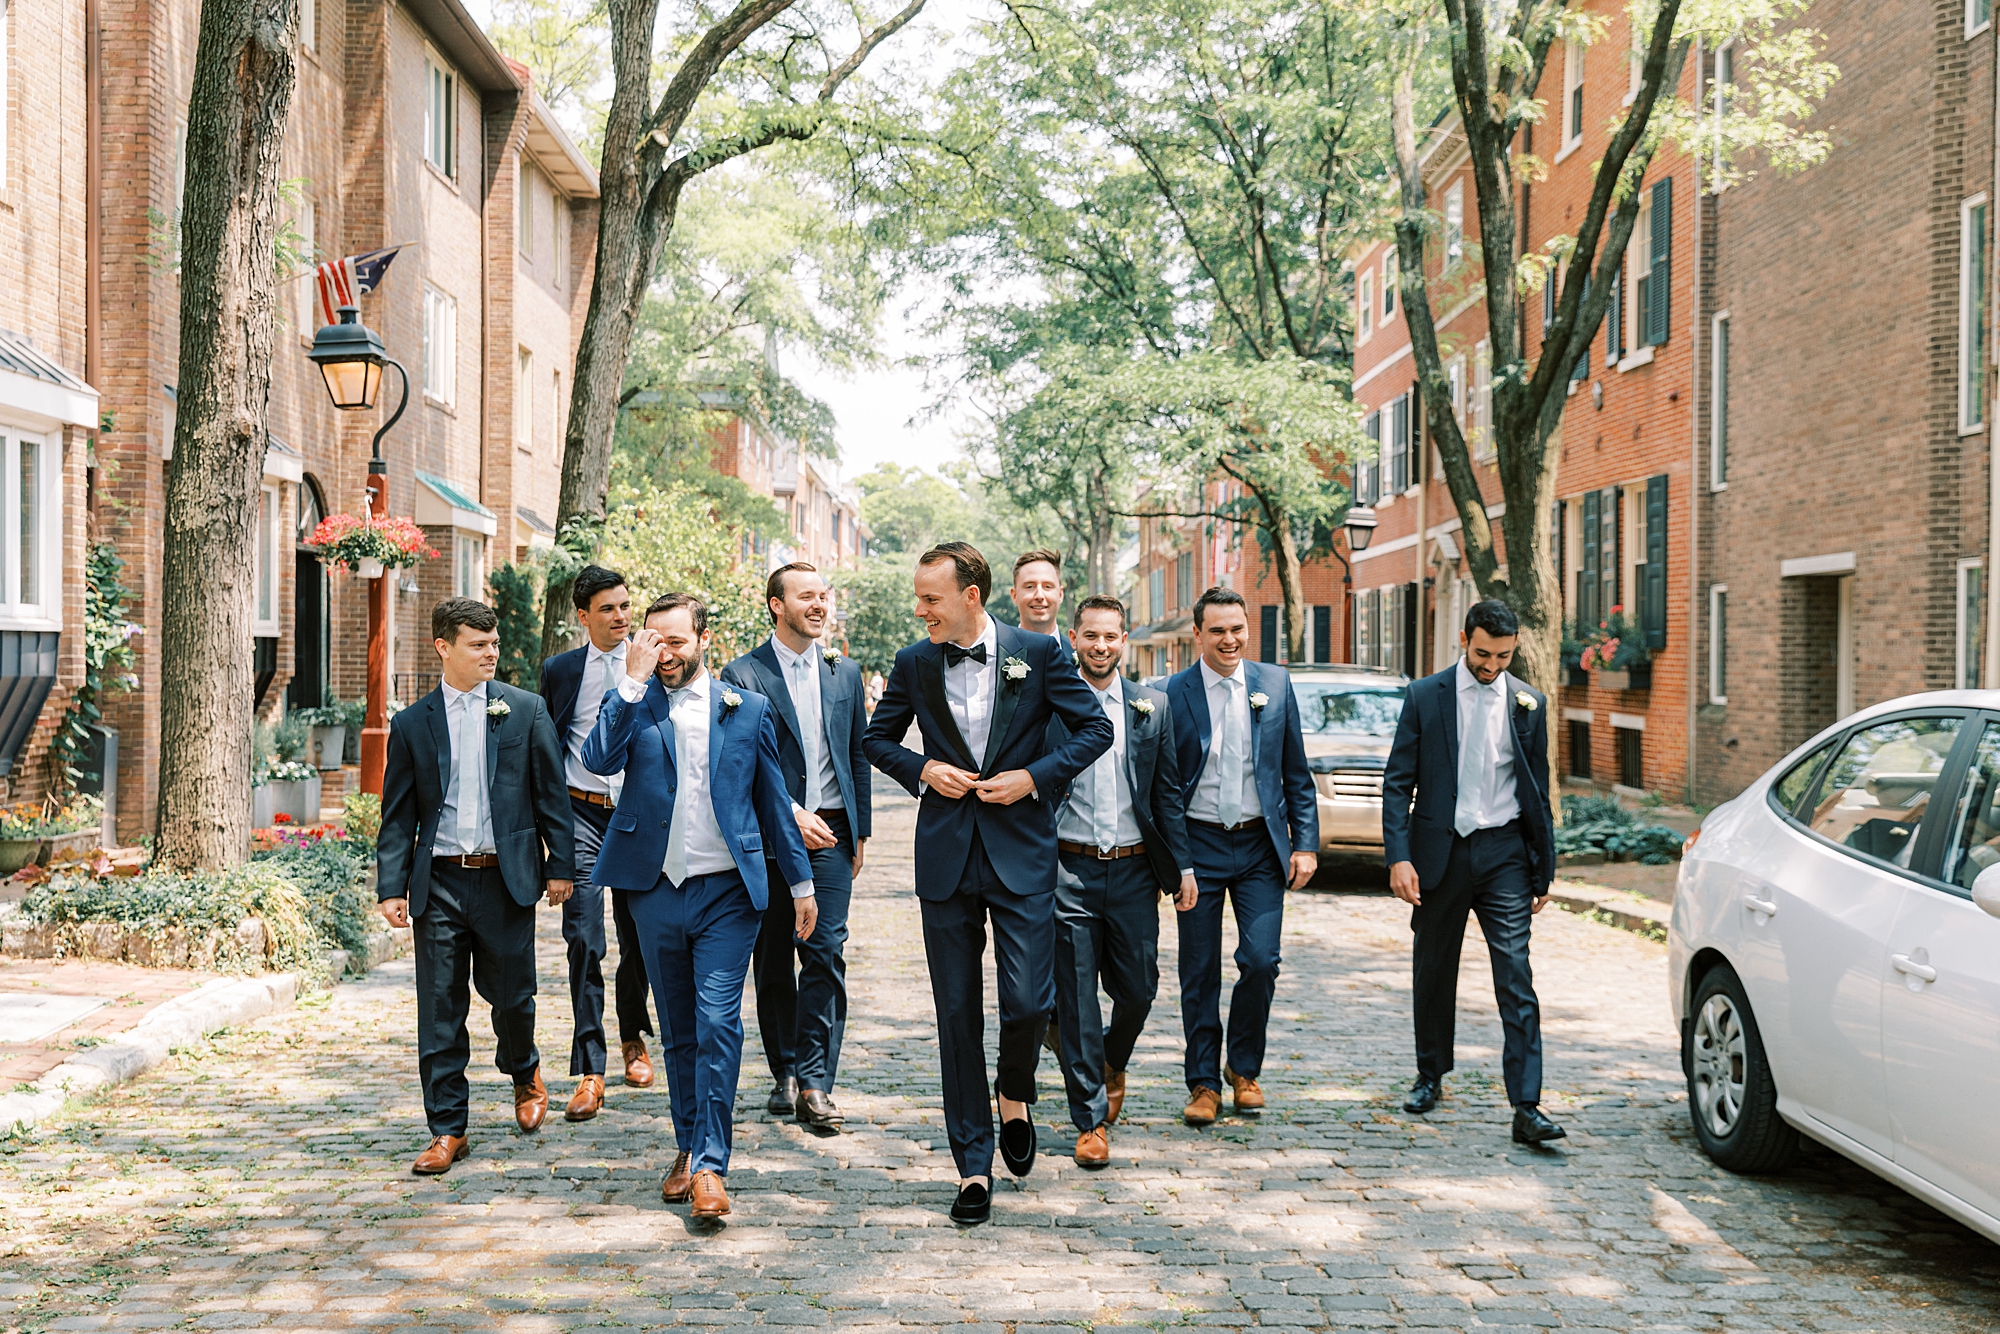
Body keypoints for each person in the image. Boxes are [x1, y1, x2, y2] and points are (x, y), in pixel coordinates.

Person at [862, 541, 1113, 1225]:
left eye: (931, 599)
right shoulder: (915, 661)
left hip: (1021, 850)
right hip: (945, 854)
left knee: (1030, 1002)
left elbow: (1095, 729)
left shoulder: (1039, 656)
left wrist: (1034, 777)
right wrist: (921, 770)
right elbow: (876, 740)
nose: (920, 611)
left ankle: (1013, 1090)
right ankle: (972, 1166)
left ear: (970, 596)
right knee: (955, 1014)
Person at [579, 593, 814, 1219]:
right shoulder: (633, 700)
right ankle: (686, 1147)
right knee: (680, 1031)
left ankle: (711, 1165)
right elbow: (596, 759)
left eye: (675, 641)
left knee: (717, 1024)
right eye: (652, 640)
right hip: (654, 893)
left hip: (727, 894)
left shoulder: (747, 709)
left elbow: (773, 802)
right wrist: (629, 680)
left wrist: (801, 885)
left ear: (704, 639)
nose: (663, 653)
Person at [376, 598, 574, 1177]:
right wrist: (392, 884)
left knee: (512, 995)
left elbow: (550, 796)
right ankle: (447, 1128)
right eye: (478, 645)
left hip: (504, 878)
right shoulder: (412, 724)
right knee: (439, 1007)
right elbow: (398, 813)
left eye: (493, 644)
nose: (491, 653)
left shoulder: (526, 710)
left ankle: (524, 1069)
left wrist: (560, 865)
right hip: (437, 882)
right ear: (444, 647)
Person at [1381, 598, 1564, 1146]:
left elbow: (1538, 788)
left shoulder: (1529, 702)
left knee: (1515, 974)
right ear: (1465, 639)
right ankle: (1430, 1073)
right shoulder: (1424, 696)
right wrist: (1399, 856)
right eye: (1484, 654)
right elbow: (1397, 782)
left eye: (1504, 656)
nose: (1492, 666)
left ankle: (1527, 1105)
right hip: (1442, 853)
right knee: (1434, 968)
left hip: (1505, 853)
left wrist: (1543, 868)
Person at [1044, 595, 1194, 1167]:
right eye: (1090, 636)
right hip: (1070, 869)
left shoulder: (1150, 707)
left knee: (1139, 990)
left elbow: (1168, 793)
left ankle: (1111, 1060)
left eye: (1111, 637)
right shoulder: (1052, 707)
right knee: (1078, 999)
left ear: (1124, 640)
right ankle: (1089, 1120)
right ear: (1075, 640)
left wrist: (1182, 866)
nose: (1100, 646)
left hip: (1134, 869)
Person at [720, 562, 871, 1129]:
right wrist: (789, 813)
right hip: (767, 836)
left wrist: (862, 831)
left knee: (825, 952)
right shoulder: (742, 675)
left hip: (832, 833)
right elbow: (736, 765)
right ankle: (783, 1068)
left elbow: (856, 753)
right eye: (806, 596)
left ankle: (814, 1080)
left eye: (823, 596)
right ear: (775, 605)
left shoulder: (845, 673)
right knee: (774, 956)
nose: (819, 605)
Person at [1164, 588, 1317, 1126]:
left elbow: (1296, 772)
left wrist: (1306, 843)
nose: (1229, 640)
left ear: (1248, 628)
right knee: (1198, 969)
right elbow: (1164, 782)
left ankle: (1244, 1069)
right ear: (1198, 635)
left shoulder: (1274, 684)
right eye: (1218, 631)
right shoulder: (1172, 693)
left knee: (1261, 961)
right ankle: (1203, 1082)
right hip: (1198, 845)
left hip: (1259, 847)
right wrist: (1172, 856)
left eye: (1238, 629)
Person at [538, 565, 656, 1119]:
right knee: (584, 940)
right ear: (582, 616)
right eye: (607, 609)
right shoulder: (560, 671)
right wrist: (549, 837)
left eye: (625, 607)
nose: (620, 617)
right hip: (580, 816)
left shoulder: (656, 665)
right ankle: (590, 1067)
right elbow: (545, 755)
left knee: (639, 937)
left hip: (636, 818)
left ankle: (633, 1035)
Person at [1010, 549, 1065, 639]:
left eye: (1047, 586)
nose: (1039, 596)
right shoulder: (995, 652)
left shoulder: (1078, 651)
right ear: (1014, 596)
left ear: (1060, 594)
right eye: (1030, 587)